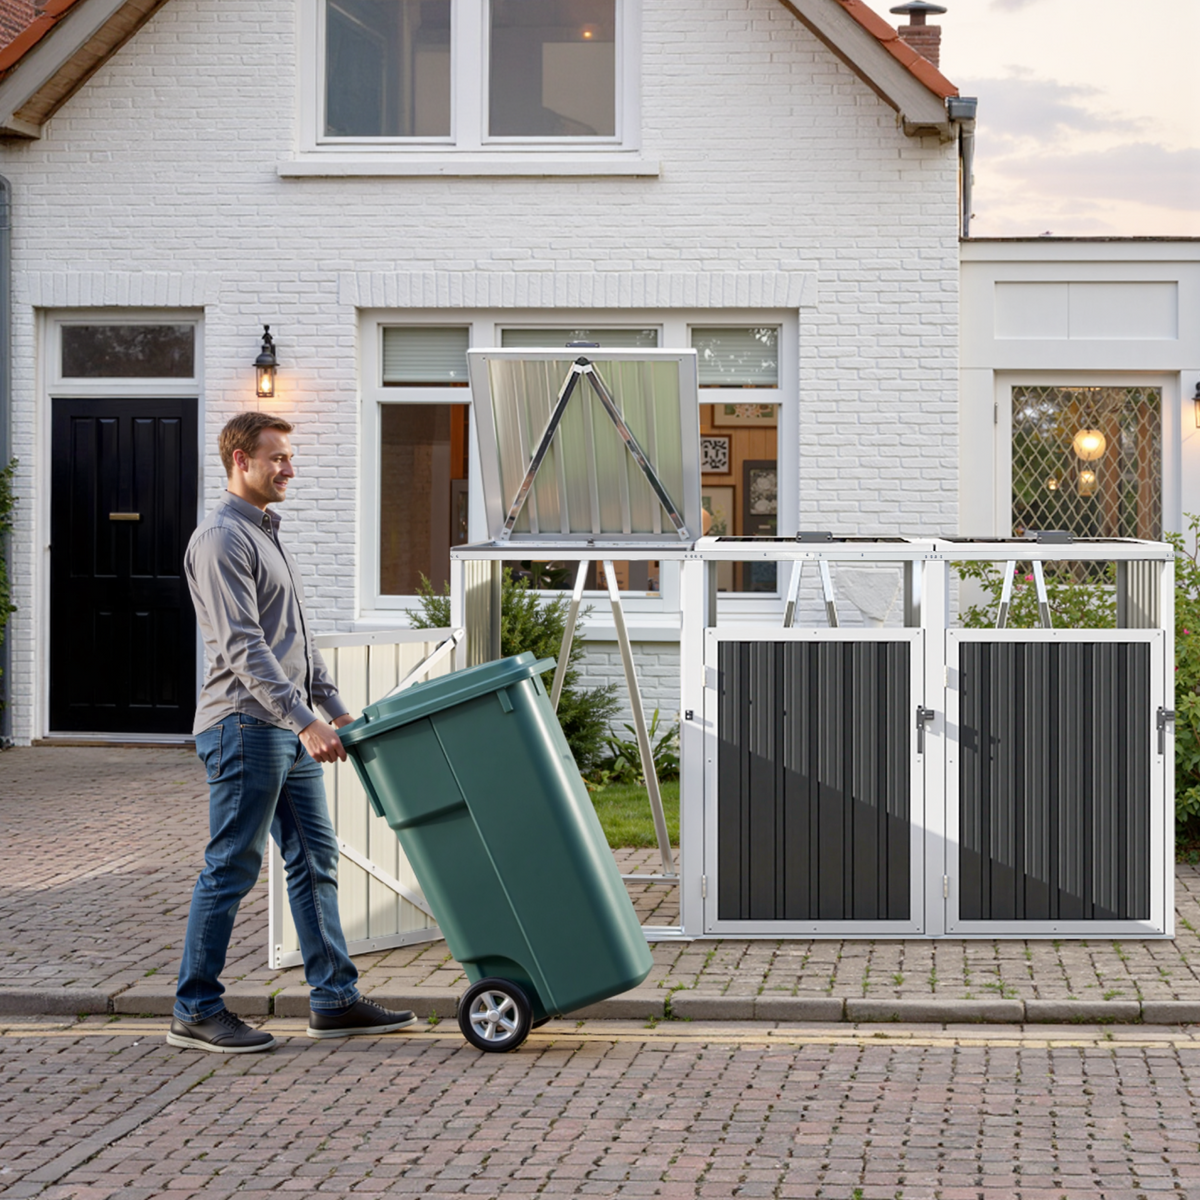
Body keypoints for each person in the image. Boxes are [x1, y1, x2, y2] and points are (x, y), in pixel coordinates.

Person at [168, 411, 416, 1053]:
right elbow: (245, 647)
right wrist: (305, 720)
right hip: (244, 726)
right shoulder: (221, 539)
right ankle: (194, 1009)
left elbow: (294, 642)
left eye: (289, 458)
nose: (289, 469)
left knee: (314, 858)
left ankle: (334, 999)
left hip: (282, 725)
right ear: (240, 460)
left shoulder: (265, 533)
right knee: (231, 865)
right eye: (277, 457)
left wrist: (334, 708)